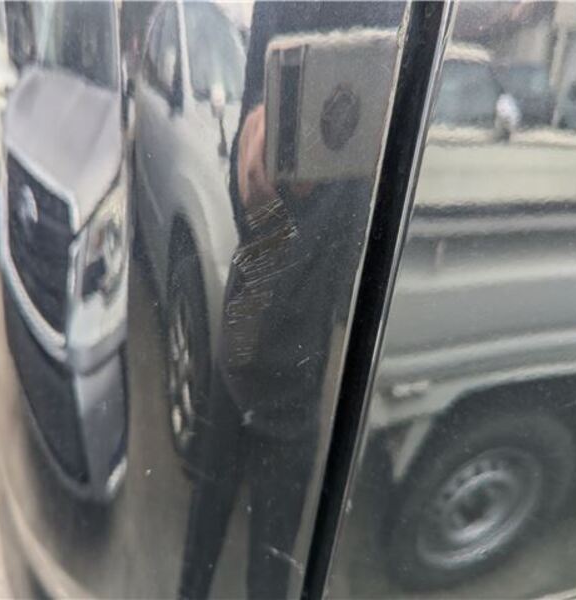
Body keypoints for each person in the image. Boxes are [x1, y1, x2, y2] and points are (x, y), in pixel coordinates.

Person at [179, 2, 403, 598]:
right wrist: (255, 168)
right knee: (212, 528)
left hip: (293, 360)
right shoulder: (283, 11)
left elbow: (357, 248)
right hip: (252, 334)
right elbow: (250, 191)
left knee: (265, 562)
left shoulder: (395, 26)